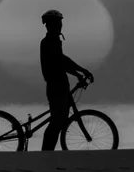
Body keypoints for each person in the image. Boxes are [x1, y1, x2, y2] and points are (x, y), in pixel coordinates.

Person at [40, 9, 94, 151]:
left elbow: (62, 61)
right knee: (56, 121)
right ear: (51, 24)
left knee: (59, 121)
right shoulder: (49, 42)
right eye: (58, 22)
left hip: (61, 85)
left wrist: (78, 73)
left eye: (60, 22)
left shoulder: (54, 41)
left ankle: (48, 153)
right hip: (56, 86)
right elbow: (61, 61)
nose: (60, 25)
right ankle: (45, 153)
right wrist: (81, 71)